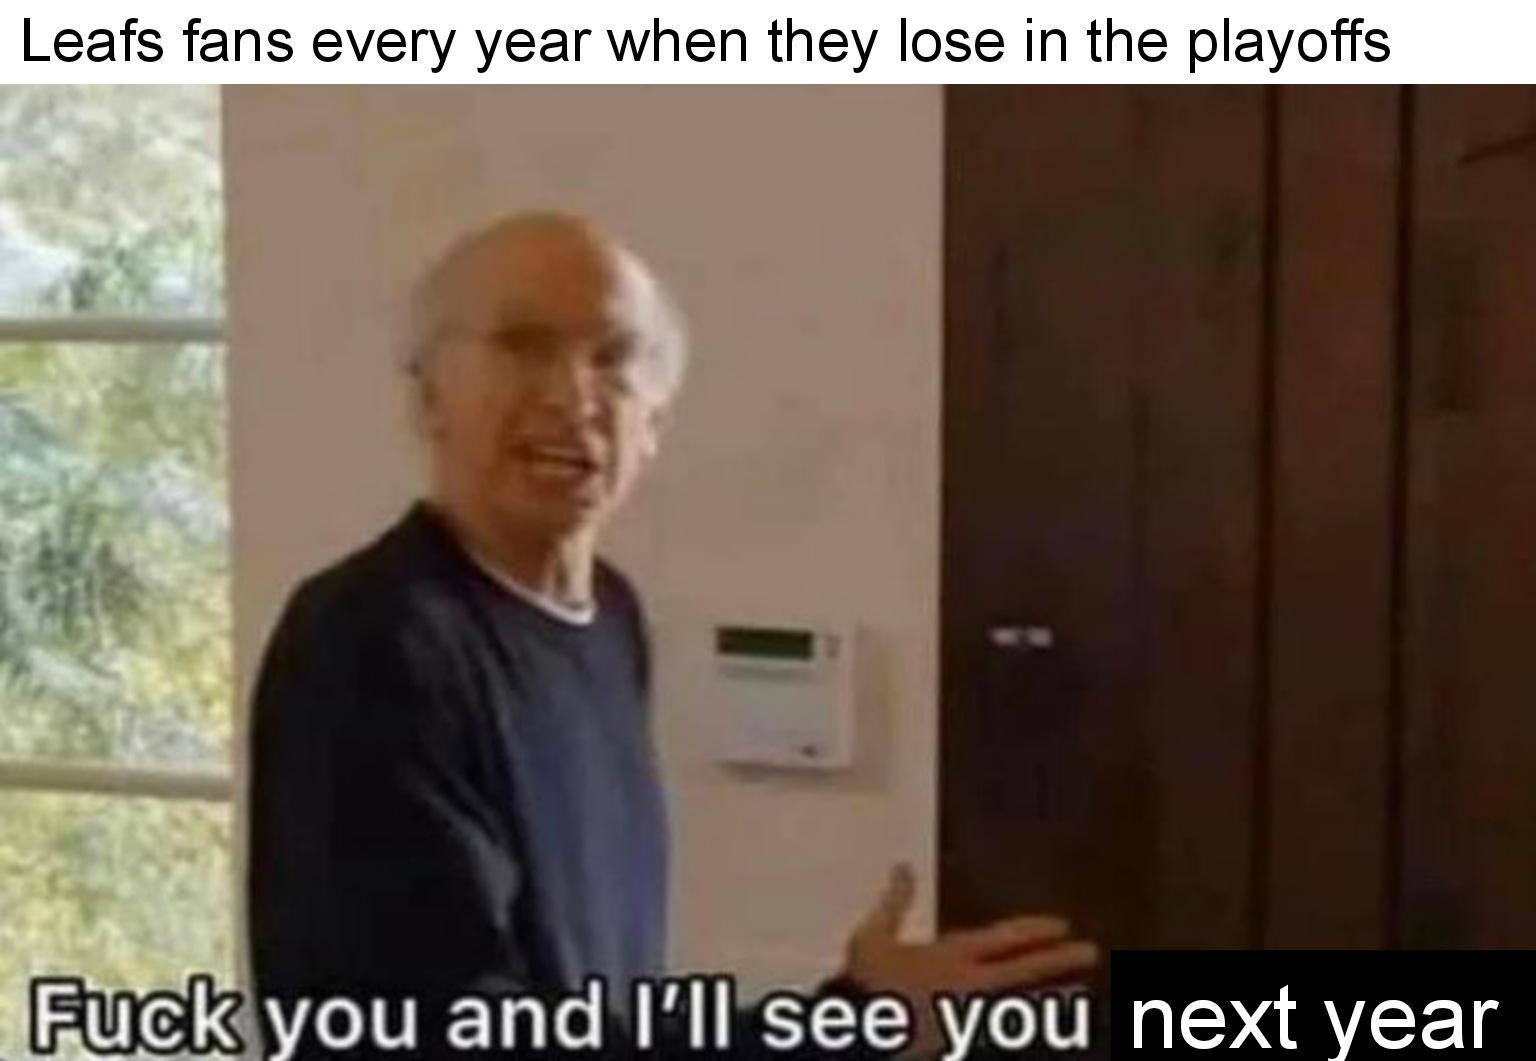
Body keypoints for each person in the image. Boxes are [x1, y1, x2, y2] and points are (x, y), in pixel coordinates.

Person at [246, 212, 1097, 1057]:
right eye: (522, 345)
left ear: (654, 421)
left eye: (614, 358)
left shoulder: (609, 619)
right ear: (428, 393)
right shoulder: (369, 642)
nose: (572, 395)